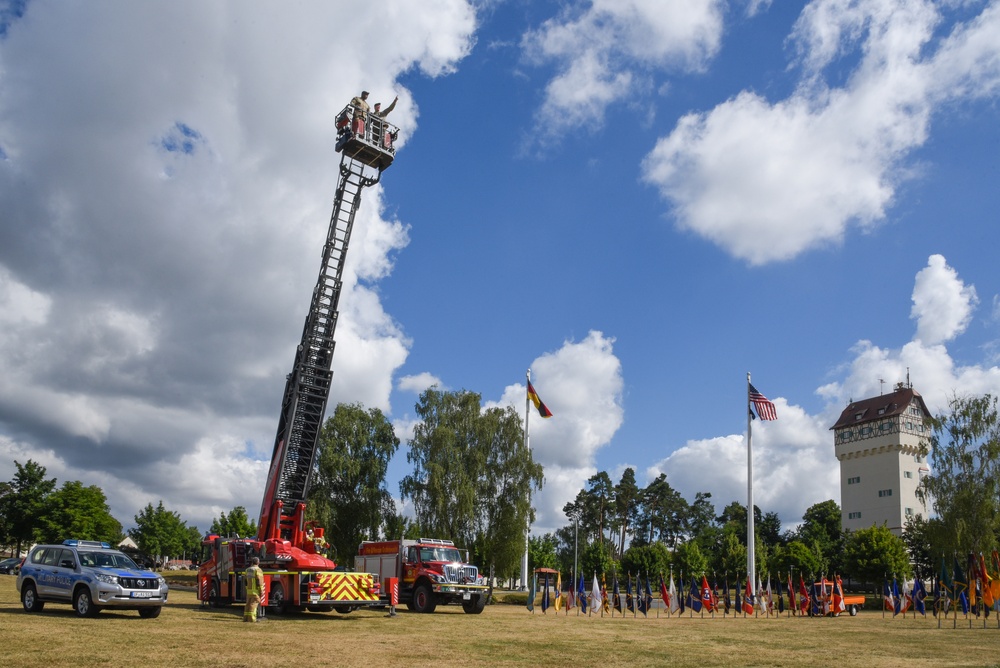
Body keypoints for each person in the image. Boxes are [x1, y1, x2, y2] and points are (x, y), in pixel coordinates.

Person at [244, 556, 265, 622]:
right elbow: (259, 581)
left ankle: (246, 618)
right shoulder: (258, 570)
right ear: (258, 562)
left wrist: (247, 588)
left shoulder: (247, 570)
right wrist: (261, 590)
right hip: (255, 591)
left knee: (248, 604)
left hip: (249, 590)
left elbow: (245, 581)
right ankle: (252, 619)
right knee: (253, 604)